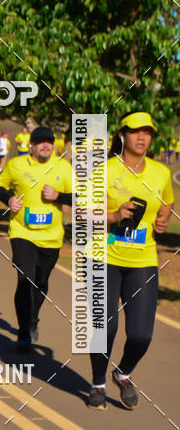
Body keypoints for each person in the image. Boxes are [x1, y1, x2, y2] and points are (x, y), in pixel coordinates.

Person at [87, 111, 173, 410]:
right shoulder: (104, 170)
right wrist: (112, 216)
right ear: (122, 135)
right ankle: (98, 383)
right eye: (136, 131)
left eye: (147, 132)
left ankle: (122, 373)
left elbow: (167, 202)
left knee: (141, 334)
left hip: (143, 260)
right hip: (103, 256)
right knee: (105, 326)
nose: (142, 137)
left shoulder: (160, 173)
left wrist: (162, 219)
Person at [0, 125, 73, 350]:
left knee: (41, 282)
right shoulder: (17, 165)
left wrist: (59, 196)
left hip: (52, 237)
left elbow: (80, 198)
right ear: (32, 145)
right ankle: (24, 332)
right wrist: (8, 199)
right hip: (22, 233)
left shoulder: (64, 167)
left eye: (50, 141)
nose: (46, 145)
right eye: (40, 142)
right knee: (24, 279)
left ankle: (33, 319)